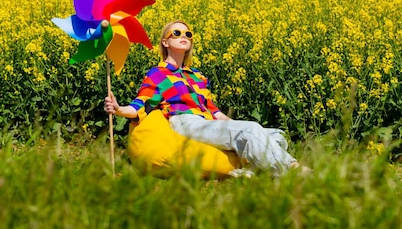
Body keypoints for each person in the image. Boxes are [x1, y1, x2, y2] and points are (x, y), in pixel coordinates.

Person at [105, 20, 309, 176]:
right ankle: (293, 171)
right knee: (252, 131)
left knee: (277, 136)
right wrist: (118, 109)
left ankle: (249, 173)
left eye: (187, 33)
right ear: (165, 42)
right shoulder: (158, 74)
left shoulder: (198, 77)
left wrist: (239, 126)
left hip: (207, 122)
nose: (183, 36)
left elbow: (214, 111)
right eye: (176, 33)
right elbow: (140, 105)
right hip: (185, 122)